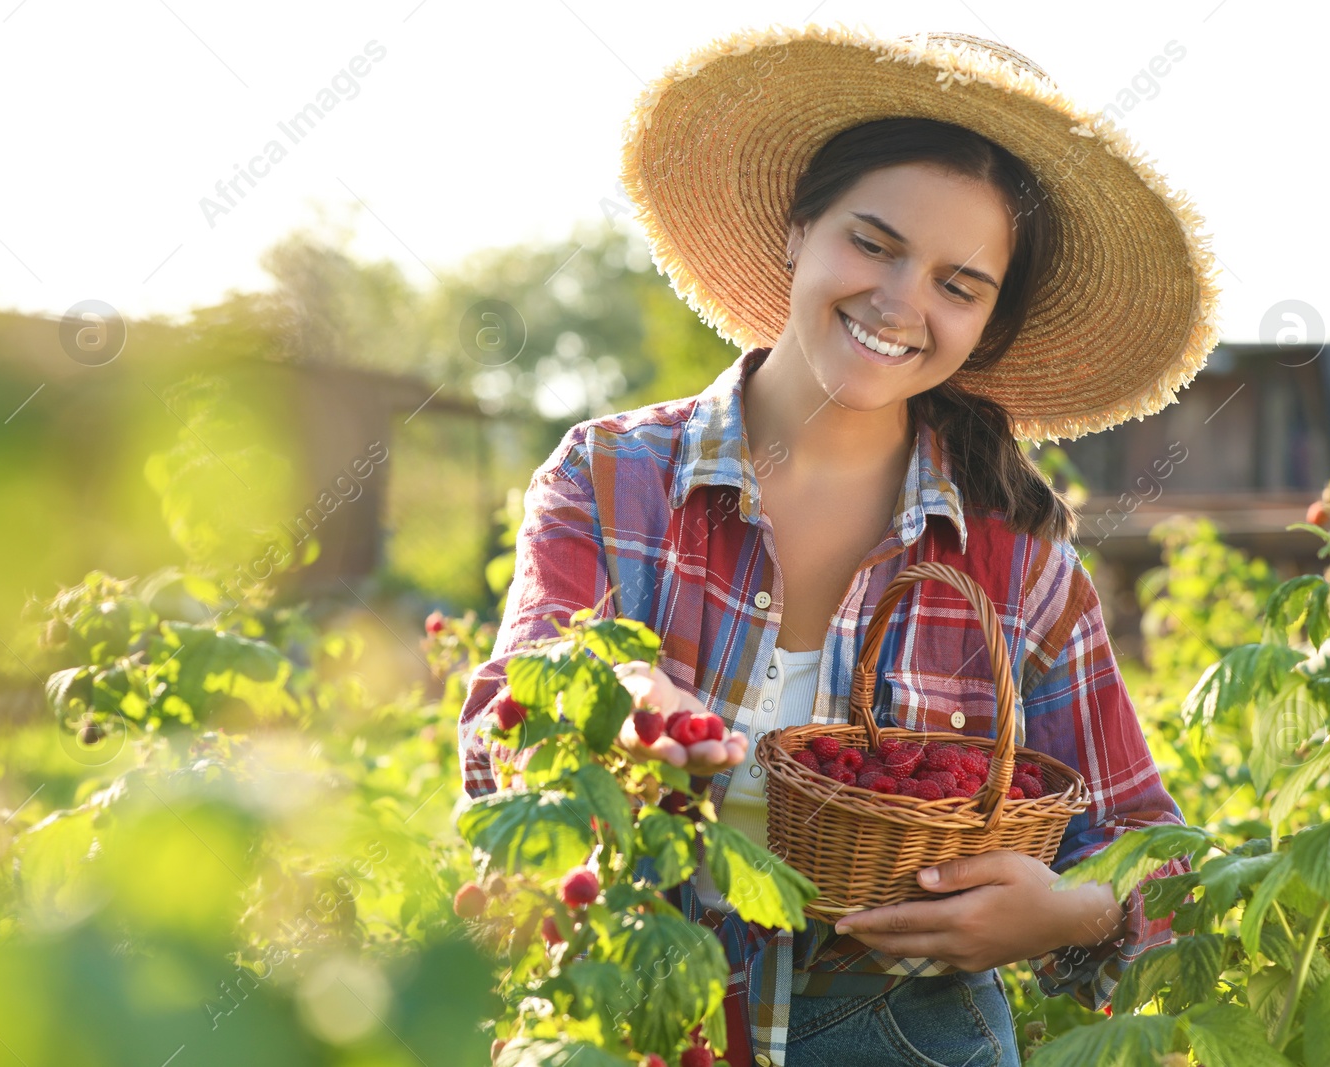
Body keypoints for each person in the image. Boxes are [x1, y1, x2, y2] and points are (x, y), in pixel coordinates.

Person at [460, 24, 1220, 1067]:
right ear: (798, 228)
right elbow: (502, 733)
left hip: (912, 1035)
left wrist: (1066, 913)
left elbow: (1154, 855)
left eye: (959, 283)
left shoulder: (1017, 561)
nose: (901, 301)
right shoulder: (612, 479)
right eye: (873, 241)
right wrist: (622, 701)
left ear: (987, 325)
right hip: (632, 1016)